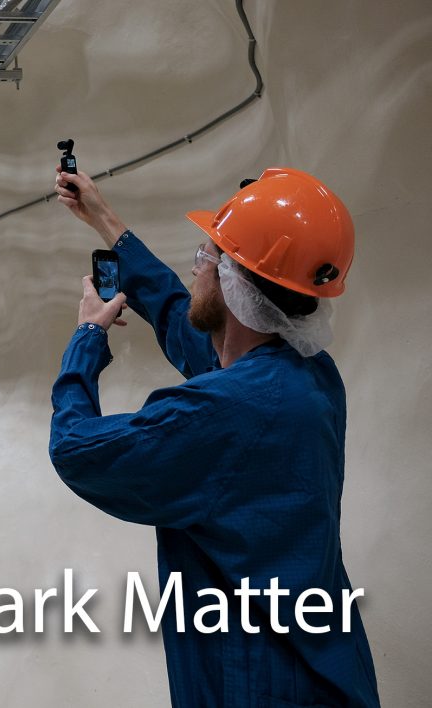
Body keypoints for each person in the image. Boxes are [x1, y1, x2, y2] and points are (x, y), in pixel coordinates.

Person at [49, 166, 380, 707]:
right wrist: (104, 219)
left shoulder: (222, 411)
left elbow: (77, 448)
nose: (196, 267)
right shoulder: (311, 376)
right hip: (327, 675)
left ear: (232, 285)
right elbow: (185, 323)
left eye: (206, 256)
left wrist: (86, 338)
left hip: (254, 687)